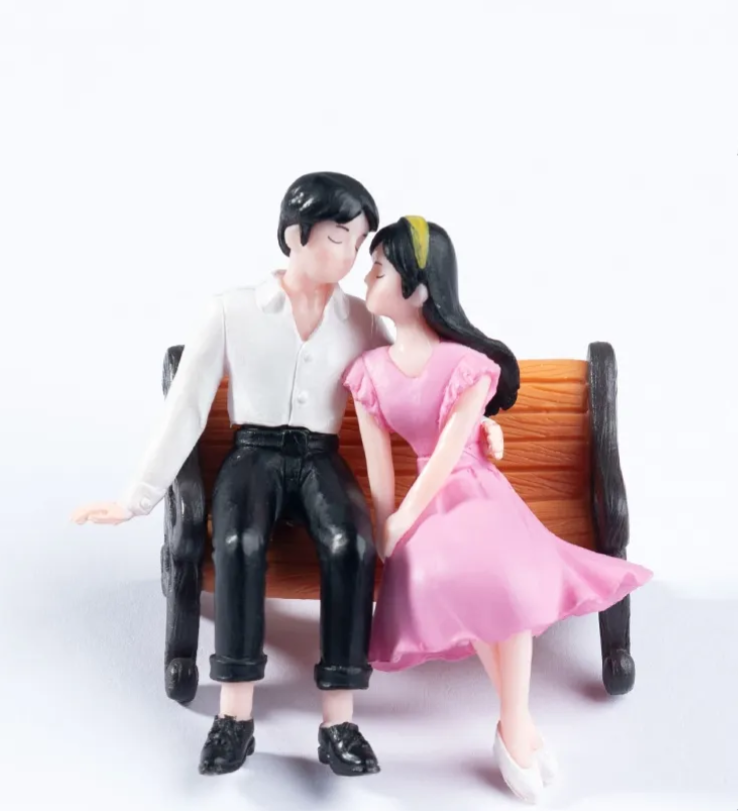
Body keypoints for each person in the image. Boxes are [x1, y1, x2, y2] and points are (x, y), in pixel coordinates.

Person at [71, 174, 502, 778]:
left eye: (359, 244)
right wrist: (136, 498)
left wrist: (479, 422)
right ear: (296, 236)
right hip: (253, 454)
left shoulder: (360, 319)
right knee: (238, 540)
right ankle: (235, 715)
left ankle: (339, 719)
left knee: (351, 543)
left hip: (321, 456)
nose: (351, 257)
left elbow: (415, 374)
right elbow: (186, 407)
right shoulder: (232, 310)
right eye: (338, 238)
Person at [341, 215, 653, 803]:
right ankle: (522, 728)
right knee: (448, 577)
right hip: (426, 510)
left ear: (418, 287)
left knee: (504, 576)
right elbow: (383, 472)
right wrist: (388, 525)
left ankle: (512, 727)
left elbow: (449, 454)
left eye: (378, 269)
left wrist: (405, 516)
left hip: (474, 490)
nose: (366, 279)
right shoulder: (370, 374)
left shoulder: (466, 365)